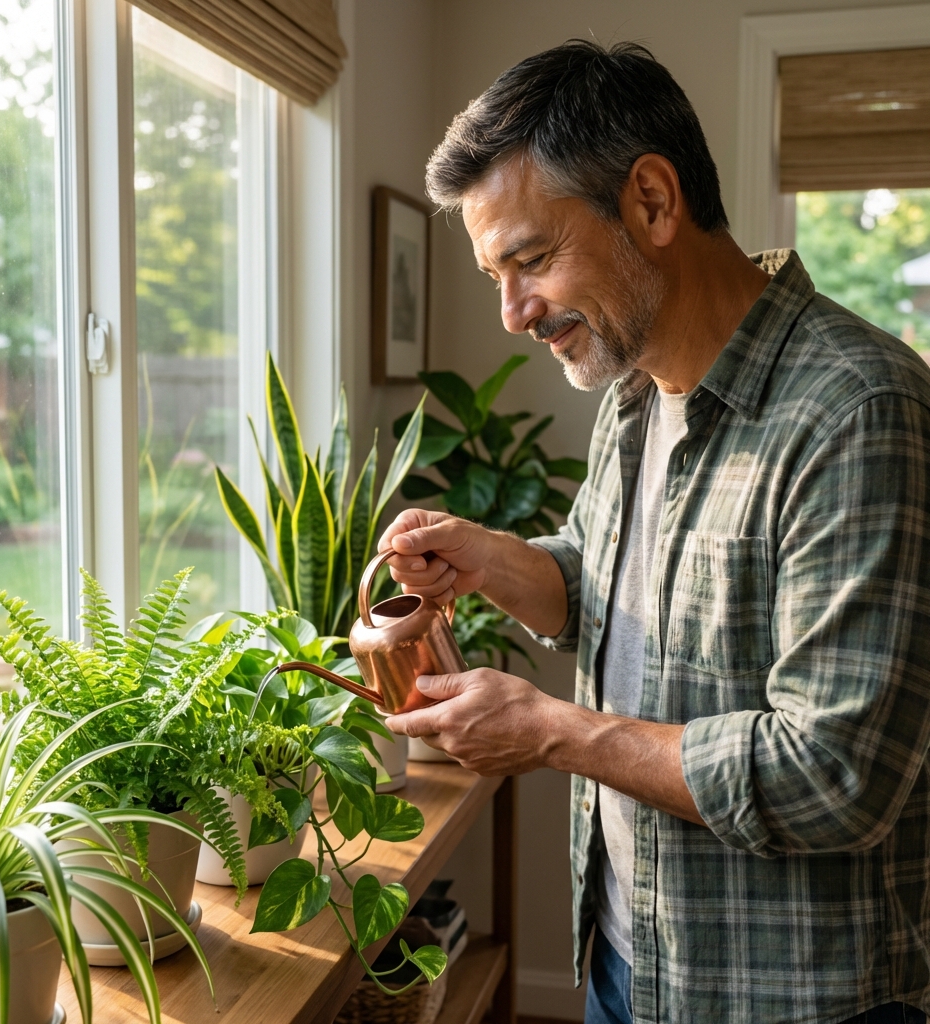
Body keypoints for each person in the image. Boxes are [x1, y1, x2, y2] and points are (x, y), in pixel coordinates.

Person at [378, 40, 930, 1024]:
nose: (511, 314)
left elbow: (832, 777)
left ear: (651, 202)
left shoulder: (857, 406)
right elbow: (604, 583)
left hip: (789, 1001)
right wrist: (496, 558)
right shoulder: (632, 393)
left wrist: (551, 733)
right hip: (625, 962)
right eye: (494, 274)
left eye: (531, 260)